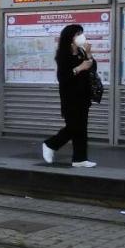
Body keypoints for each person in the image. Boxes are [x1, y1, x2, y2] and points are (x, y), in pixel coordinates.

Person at [42, 24, 98, 168]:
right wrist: (79, 68)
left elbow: (92, 67)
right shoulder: (63, 55)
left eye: (81, 33)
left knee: (82, 128)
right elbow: (63, 77)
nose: (81, 36)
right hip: (70, 97)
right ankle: (50, 144)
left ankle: (80, 159)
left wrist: (89, 53)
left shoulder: (81, 51)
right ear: (70, 38)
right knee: (73, 127)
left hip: (83, 95)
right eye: (77, 34)